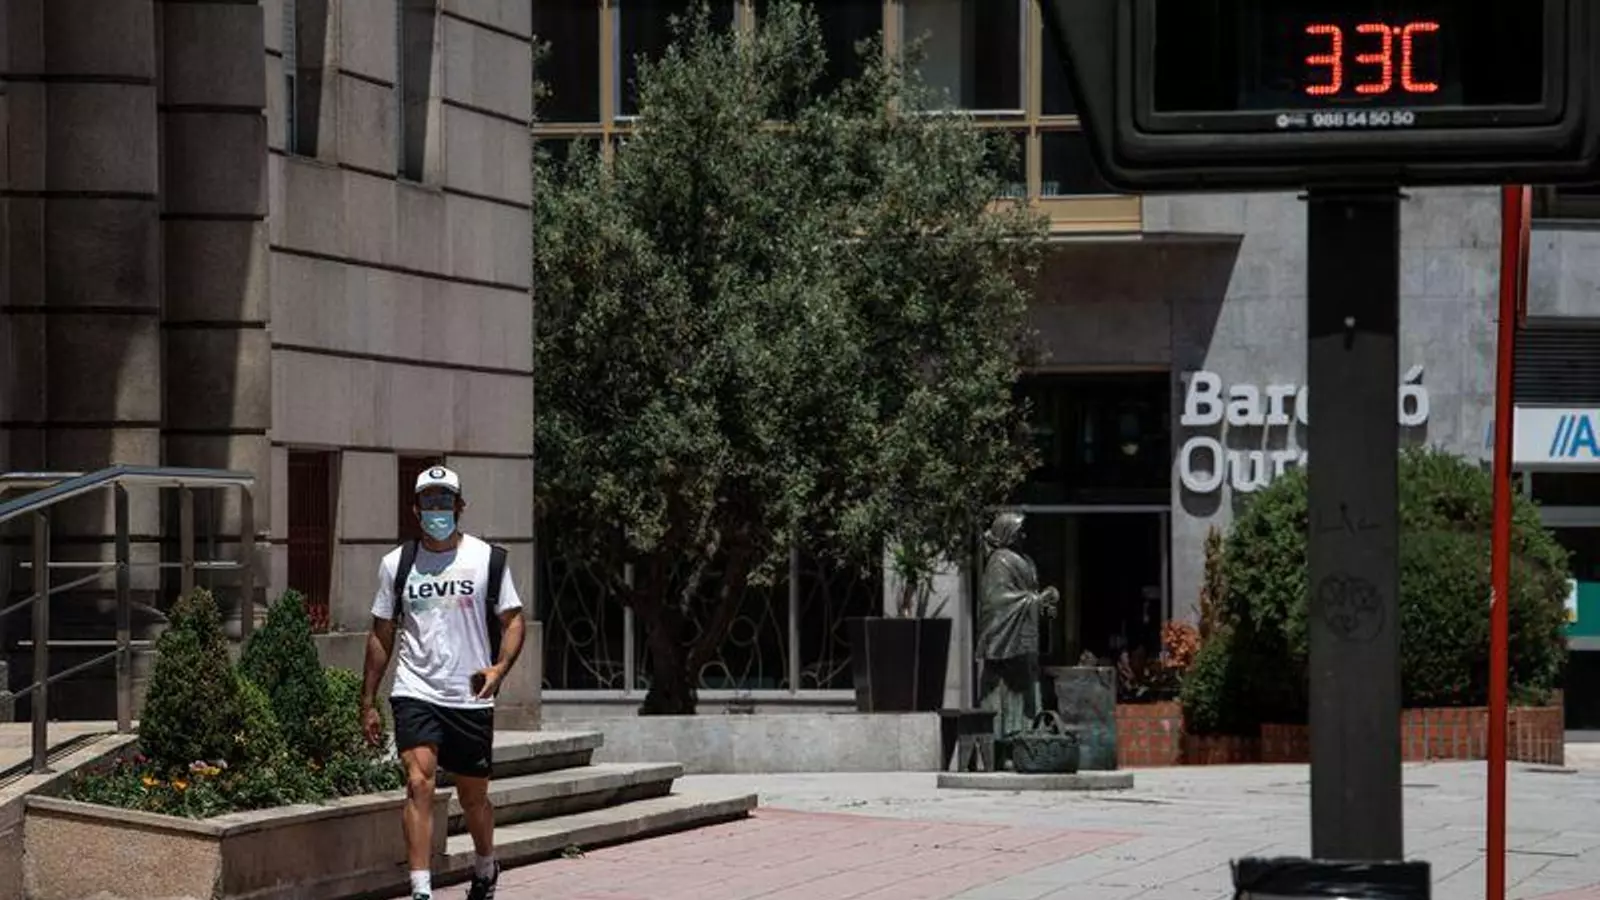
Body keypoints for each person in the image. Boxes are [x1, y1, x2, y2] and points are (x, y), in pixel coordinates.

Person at [361, 465, 527, 900]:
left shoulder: (487, 559)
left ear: (460, 506)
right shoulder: (397, 564)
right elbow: (381, 633)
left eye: (445, 501)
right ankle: (421, 889)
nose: (437, 509)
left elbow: (513, 621)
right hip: (415, 689)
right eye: (429, 501)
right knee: (419, 782)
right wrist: (368, 700)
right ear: (416, 510)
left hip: (470, 695)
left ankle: (486, 864)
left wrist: (499, 669)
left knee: (473, 798)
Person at [976, 511, 1058, 766]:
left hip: (1023, 642)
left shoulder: (1026, 561)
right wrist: (1034, 601)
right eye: (1019, 531)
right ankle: (1005, 748)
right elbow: (996, 602)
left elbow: (1027, 596)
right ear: (1008, 533)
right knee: (1007, 693)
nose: (1024, 535)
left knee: (1027, 693)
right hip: (1005, 642)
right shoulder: (999, 562)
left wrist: (1043, 605)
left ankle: (1027, 743)